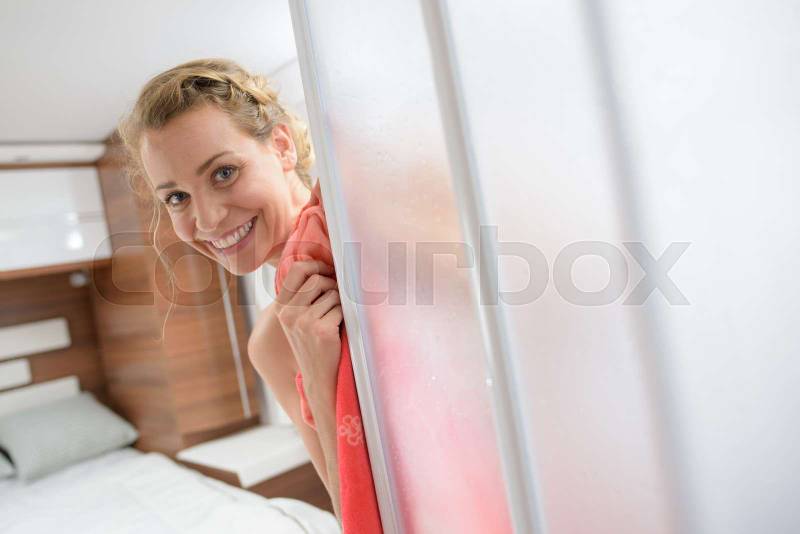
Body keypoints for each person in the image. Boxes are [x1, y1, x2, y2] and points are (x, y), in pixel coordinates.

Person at [118, 58, 347, 524]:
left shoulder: (364, 221)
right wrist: (318, 376)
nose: (206, 220)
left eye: (223, 173)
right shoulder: (274, 343)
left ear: (281, 146)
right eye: (177, 197)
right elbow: (353, 509)